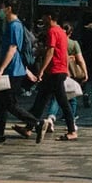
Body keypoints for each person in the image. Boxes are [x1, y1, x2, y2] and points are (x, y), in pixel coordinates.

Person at [0, 0, 38, 143]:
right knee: (2, 104)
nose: (0, 10)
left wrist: (1, 69)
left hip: (12, 71)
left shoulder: (14, 26)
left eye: (2, 7)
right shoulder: (13, 25)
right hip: (15, 70)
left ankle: (36, 122)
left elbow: (12, 49)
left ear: (9, 8)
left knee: (10, 104)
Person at [16, 10, 77, 142]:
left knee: (62, 102)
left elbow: (51, 51)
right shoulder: (61, 31)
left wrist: (42, 70)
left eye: (43, 16)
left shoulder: (52, 31)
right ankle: (29, 127)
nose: (42, 19)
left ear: (49, 17)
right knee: (41, 100)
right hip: (58, 71)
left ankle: (72, 130)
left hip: (54, 71)